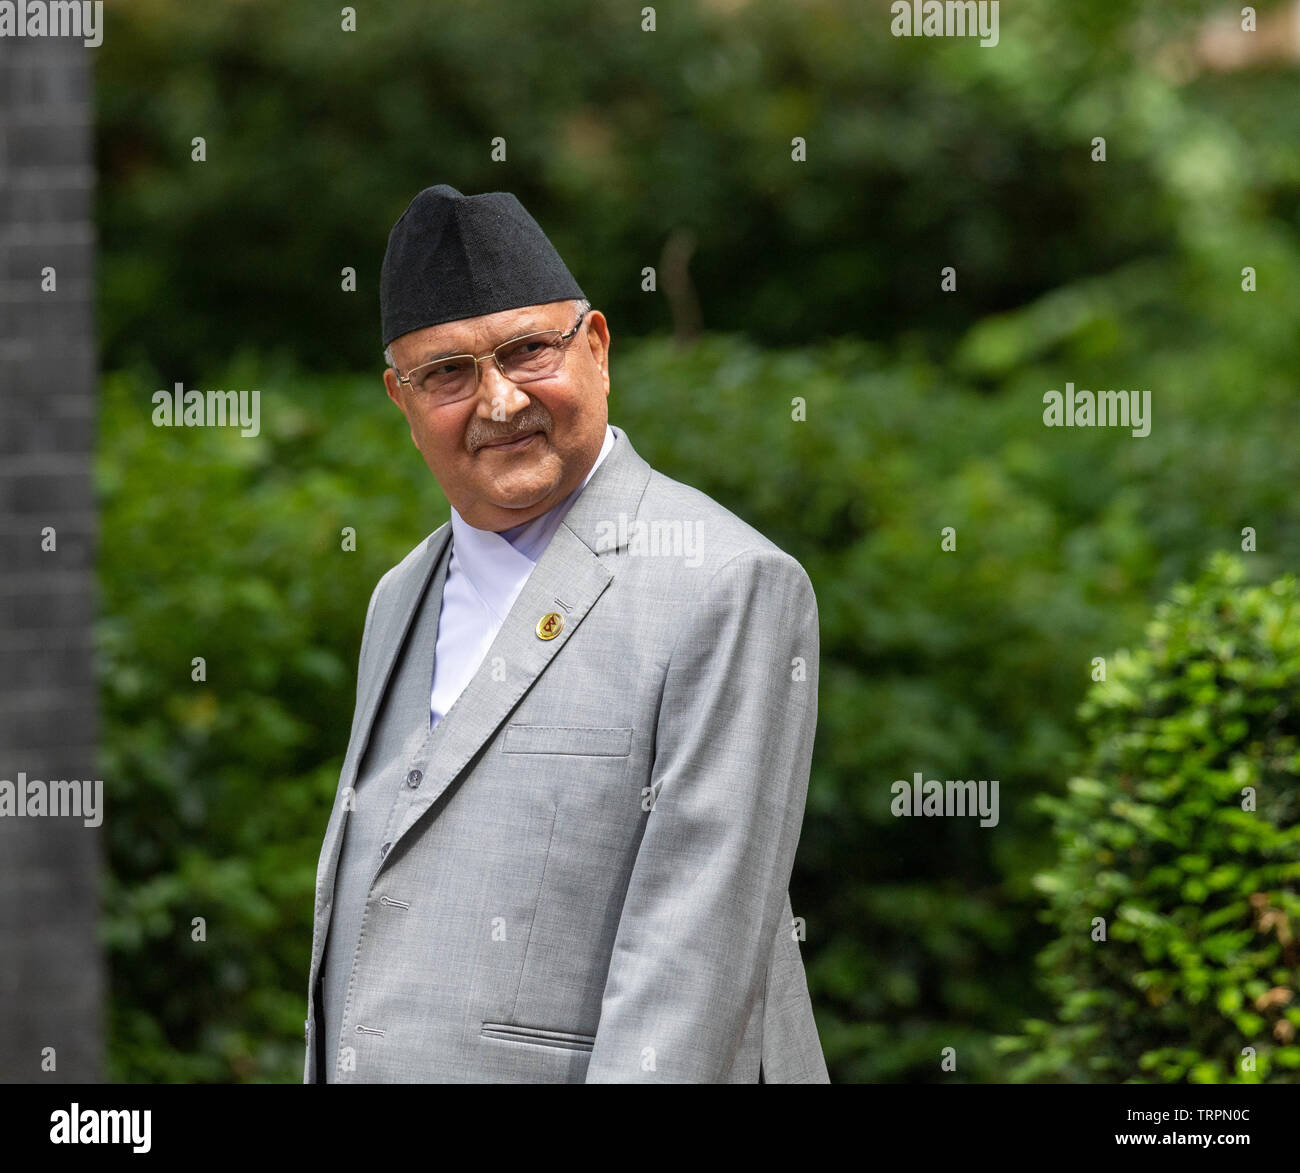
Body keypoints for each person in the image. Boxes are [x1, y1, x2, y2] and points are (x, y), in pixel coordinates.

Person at [304, 184, 828, 1083]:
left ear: (597, 346)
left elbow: (690, 963)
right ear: (400, 397)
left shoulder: (725, 583)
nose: (500, 401)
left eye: (527, 351)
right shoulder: (399, 595)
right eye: (448, 373)